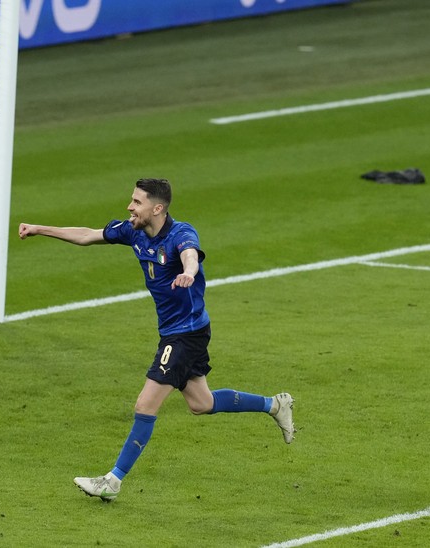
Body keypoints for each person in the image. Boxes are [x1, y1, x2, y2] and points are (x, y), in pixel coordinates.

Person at [18, 178, 295, 502]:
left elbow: (190, 253)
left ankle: (113, 480)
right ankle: (275, 405)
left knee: (145, 404)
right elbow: (88, 235)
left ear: (157, 208)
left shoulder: (180, 234)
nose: (129, 207)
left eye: (136, 202)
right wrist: (39, 228)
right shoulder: (133, 231)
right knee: (200, 404)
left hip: (185, 334)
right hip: (177, 331)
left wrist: (190, 271)